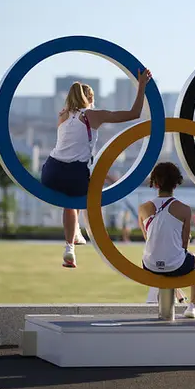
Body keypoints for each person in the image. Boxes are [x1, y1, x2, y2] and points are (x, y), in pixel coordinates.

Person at [40, 69, 152, 268]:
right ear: (90, 98)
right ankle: (73, 240)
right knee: (80, 194)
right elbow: (134, 114)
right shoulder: (93, 115)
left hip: (51, 171)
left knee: (70, 200)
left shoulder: (63, 116)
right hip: (75, 174)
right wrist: (142, 85)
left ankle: (71, 245)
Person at [139, 162, 195, 319]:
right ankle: (193, 306)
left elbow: (147, 238)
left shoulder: (143, 208)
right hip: (176, 266)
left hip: (149, 266)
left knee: (167, 258)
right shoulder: (184, 209)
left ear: (155, 183)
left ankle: (176, 294)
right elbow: (184, 244)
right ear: (176, 184)